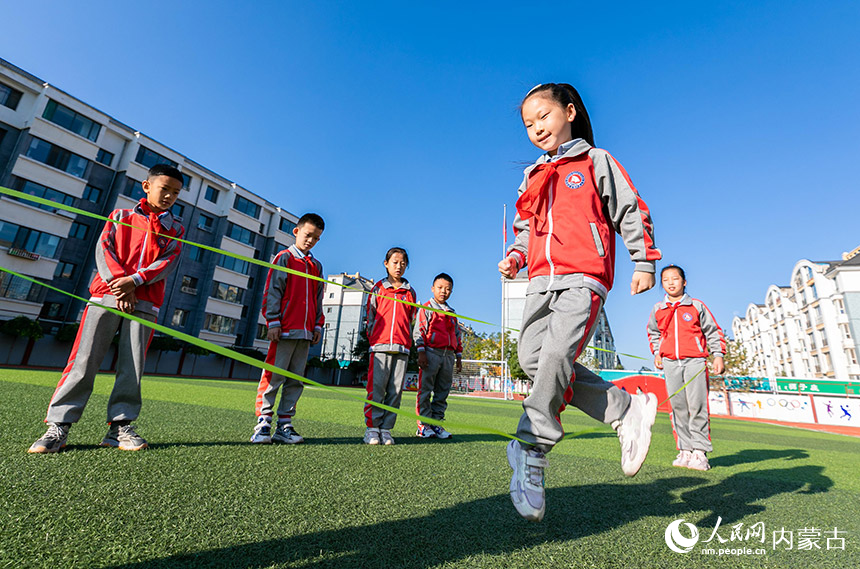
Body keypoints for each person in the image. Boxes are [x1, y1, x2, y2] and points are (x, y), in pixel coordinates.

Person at [498, 83, 662, 521]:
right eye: (528, 124)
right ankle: (624, 409)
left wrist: (643, 261)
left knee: (555, 355)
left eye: (543, 116)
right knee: (532, 359)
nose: (536, 128)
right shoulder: (531, 175)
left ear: (569, 112)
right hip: (538, 281)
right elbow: (523, 226)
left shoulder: (595, 161)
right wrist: (516, 256)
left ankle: (531, 447)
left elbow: (630, 209)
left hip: (584, 277)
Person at [29, 164, 185, 453]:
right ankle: (59, 426)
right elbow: (105, 249)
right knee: (83, 360)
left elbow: (167, 262)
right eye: (165, 189)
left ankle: (120, 428)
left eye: (175, 193)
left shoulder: (176, 228)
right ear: (147, 186)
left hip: (145, 302)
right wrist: (118, 284)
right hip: (106, 295)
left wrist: (135, 282)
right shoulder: (121, 216)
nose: (169, 197)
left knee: (133, 366)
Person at [251, 213, 325, 444]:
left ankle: (285, 425)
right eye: (308, 235)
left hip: (305, 333)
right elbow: (272, 291)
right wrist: (272, 321)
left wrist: (317, 325)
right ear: (296, 232)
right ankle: (263, 423)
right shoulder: (284, 258)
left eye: (316, 238)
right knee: (274, 376)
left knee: (295, 379)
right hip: (283, 330)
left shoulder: (316, 265)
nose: (311, 240)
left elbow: (318, 298)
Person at [647, 265, 725, 471]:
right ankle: (685, 450)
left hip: (695, 362)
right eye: (666, 280)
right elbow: (653, 333)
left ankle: (700, 452)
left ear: (684, 282)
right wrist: (657, 353)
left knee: (697, 406)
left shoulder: (696, 306)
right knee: (677, 407)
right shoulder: (658, 309)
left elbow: (713, 331)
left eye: (675, 279)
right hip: (670, 363)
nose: (671, 283)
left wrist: (718, 355)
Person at [362, 247, 418, 445]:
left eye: (403, 263)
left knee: (395, 391)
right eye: (395, 262)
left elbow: (411, 319)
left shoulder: (410, 292)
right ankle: (372, 428)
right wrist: (373, 338)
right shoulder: (378, 288)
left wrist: (407, 341)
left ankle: (386, 429)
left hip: (402, 348)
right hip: (379, 346)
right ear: (386, 264)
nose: (399, 266)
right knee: (376, 388)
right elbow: (370, 315)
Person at [413, 273, 462, 439]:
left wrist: (458, 357)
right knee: (425, 389)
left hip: (448, 356)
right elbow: (419, 331)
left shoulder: (452, 313)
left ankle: (437, 424)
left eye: (448, 289)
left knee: (443, 391)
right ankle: (423, 425)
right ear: (433, 288)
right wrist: (421, 352)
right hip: (431, 353)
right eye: (440, 288)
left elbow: (457, 335)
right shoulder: (426, 308)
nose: (444, 292)